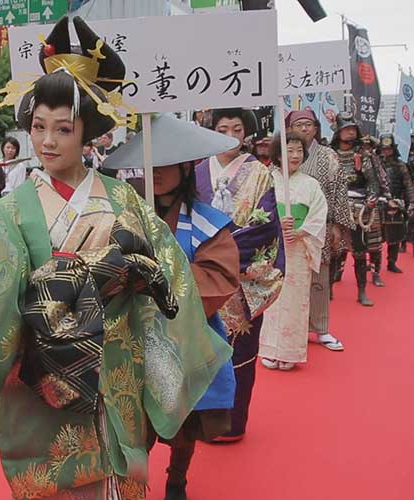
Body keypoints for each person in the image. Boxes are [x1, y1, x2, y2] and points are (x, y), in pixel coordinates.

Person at [0, 17, 231, 499]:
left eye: (63, 129)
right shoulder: (10, 207)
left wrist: (137, 280)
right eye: (39, 127)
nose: (48, 142)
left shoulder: (124, 199)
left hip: (115, 365)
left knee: (115, 481)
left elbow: (170, 275)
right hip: (42, 370)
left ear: (87, 133)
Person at [103, 114, 240, 500]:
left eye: (166, 164)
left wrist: (158, 282)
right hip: (130, 335)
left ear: (185, 167)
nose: (156, 173)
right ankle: (132, 484)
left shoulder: (207, 224)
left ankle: (177, 477)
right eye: (150, 164)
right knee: (132, 419)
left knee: (184, 420)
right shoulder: (121, 215)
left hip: (185, 336)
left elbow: (220, 277)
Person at [195, 107, 285, 441]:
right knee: (199, 350)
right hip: (199, 275)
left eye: (236, 128)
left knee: (239, 352)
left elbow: (266, 228)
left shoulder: (260, 174)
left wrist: (222, 253)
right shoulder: (196, 170)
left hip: (239, 278)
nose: (230, 135)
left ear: (246, 133)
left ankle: (232, 422)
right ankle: (198, 422)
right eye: (222, 128)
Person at [260, 133, 327, 371]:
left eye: (299, 150)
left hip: (298, 248)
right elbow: (254, 210)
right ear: (278, 153)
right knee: (271, 297)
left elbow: (319, 214)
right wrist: (275, 222)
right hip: (271, 247)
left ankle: (290, 352)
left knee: (295, 299)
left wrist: (301, 231)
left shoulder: (311, 184)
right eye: (290, 150)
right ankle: (268, 348)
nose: (296, 155)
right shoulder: (265, 179)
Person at [286, 109, 351, 351]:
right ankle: (292, 328)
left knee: (319, 276)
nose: (304, 129)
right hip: (290, 226)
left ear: (316, 127)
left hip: (317, 224)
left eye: (308, 124)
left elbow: (338, 190)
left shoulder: (328, 156)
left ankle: (321, 328)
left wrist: (335, 224)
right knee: (290, 278)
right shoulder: (283, 154)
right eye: (298, 125)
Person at [330, 113, 390, 306]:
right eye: (346, 128)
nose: (350, 131)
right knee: (333, 250)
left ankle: (362, 291)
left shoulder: (363, 154)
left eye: (352, 129)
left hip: (358, 208)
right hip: (335, 206)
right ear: (338, 132)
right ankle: (328, 288)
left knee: (359, 250)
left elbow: (372, 181)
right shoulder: (329, 154)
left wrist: (372, 198)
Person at [377, 134, 414, 273]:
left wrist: (411, 203)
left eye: (388, 149)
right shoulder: (375, 164)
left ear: (393, 149)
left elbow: (408, 185)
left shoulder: (401, 166)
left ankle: (391, 262)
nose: (386, 151)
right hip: (378, 203)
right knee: (375, 237)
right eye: (384, 149)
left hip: (396, 204)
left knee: (395, 236)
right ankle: (374, 264)